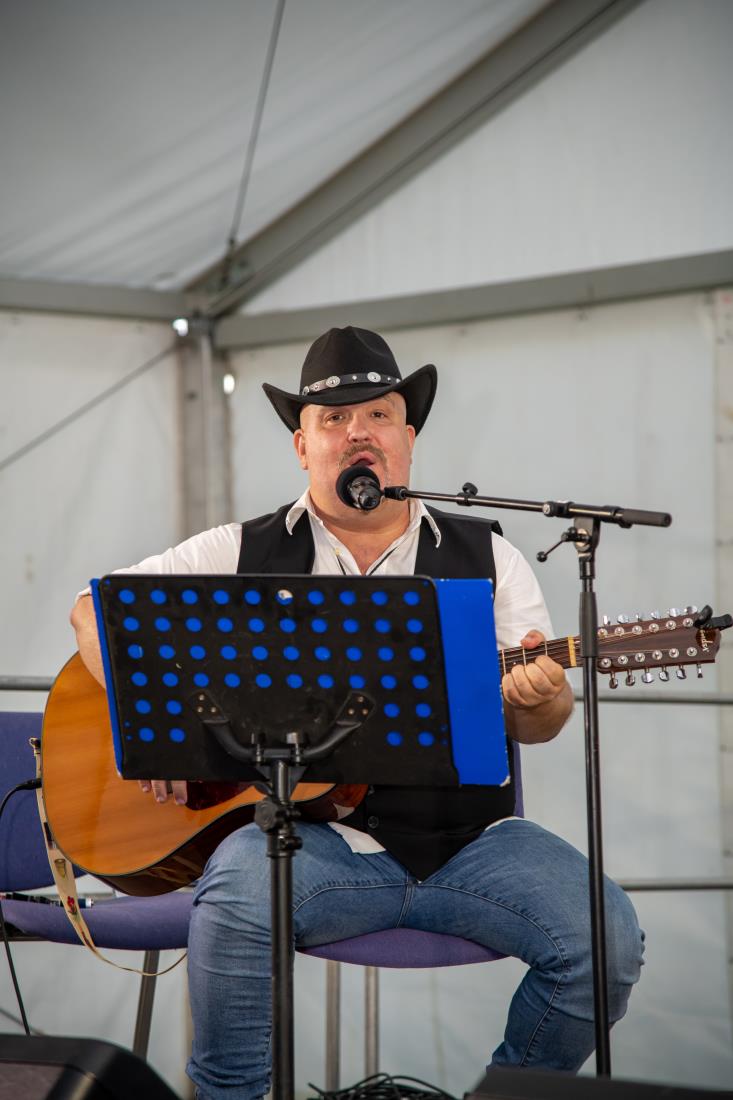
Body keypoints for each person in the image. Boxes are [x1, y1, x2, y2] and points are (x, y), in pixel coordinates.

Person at [70, 326, 643, 1100]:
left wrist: (541, 700)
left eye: (378, 414)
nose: (357, 432)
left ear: (407, 438)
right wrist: (163, 729)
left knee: (604, 941)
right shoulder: (237, 549)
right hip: (307, 846)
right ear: (301, 446)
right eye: (333, 419)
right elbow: (93, 610)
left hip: (468, 843)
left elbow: (537, 724)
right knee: (235, 897)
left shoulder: (490, 557)